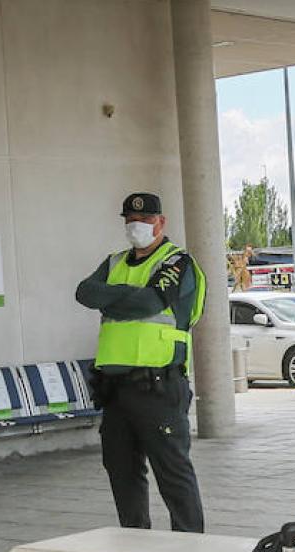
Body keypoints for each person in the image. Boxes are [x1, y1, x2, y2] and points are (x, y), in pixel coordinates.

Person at [74, 192, 206, 532]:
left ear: (161, 222)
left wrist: (111, 299)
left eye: (146, 220)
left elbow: (149, 302)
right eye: (131, 221)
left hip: (159, 385)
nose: (138, 226)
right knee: (121, 470)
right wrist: (122, 299)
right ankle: (135, 540)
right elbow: (85, 292)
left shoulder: (177, 263)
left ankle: (191, 545)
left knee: (173, 473)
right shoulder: (115, 261)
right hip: (116, 389)